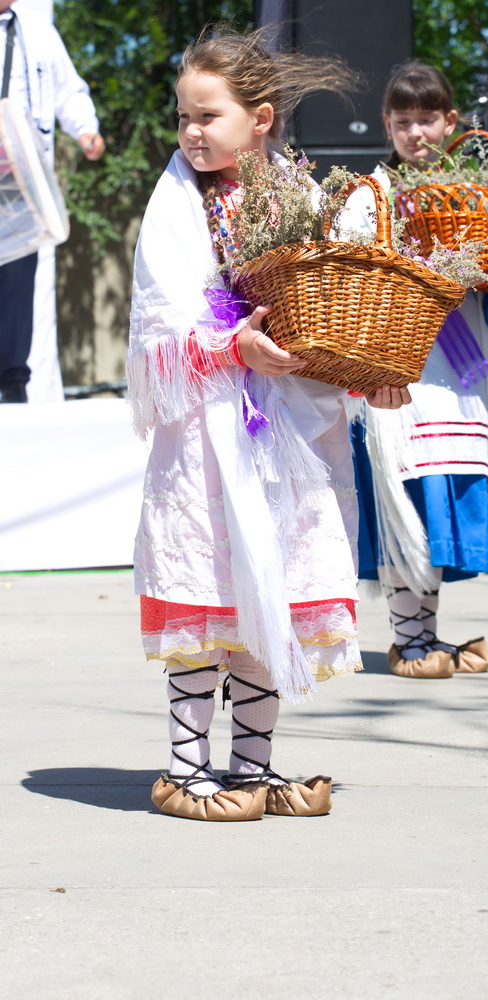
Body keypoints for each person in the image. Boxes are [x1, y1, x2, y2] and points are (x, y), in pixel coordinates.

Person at [127, 24, 409, 822]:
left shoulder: (300, 195)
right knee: (211, 594)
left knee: (271, 593)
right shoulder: (174, 204)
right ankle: (187, 767)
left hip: (287, 435)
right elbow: (158, 329)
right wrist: (230, 343)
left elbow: (337, 312)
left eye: (207, 116)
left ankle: (251, 765)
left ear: (261, 116)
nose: (190, 131)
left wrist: (373, 371)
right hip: (209, 437)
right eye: (183, 115)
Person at [340, 61, 488, 679]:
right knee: (404, 499)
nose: (416, 132)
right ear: (387, 125)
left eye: (427, 118)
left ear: (451, 121)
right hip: (401, 372)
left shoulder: (479, 197)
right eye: (403, 121)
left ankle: (421, 636)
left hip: (459, 374)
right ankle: (409, 640)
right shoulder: (371, 195)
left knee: (435, 496)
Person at [0, 0, 105, 403]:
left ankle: (14, 385)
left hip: (24, 178)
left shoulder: (38, 29)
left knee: (22, 282)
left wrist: (85, 130)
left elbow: (69, 90)